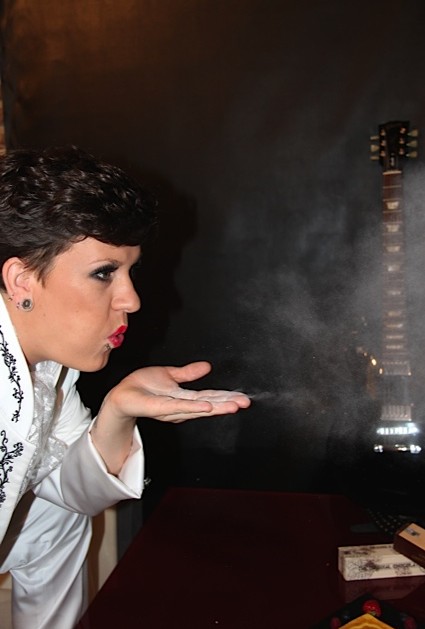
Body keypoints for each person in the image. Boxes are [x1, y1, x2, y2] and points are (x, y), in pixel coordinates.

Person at [0, 145, 251, 628]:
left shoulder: (47, 371)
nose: (131, 300)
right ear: (22, 280)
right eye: (103, 273)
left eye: (129, 271)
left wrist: (118, 410)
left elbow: (74, 494)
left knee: (54, 516)